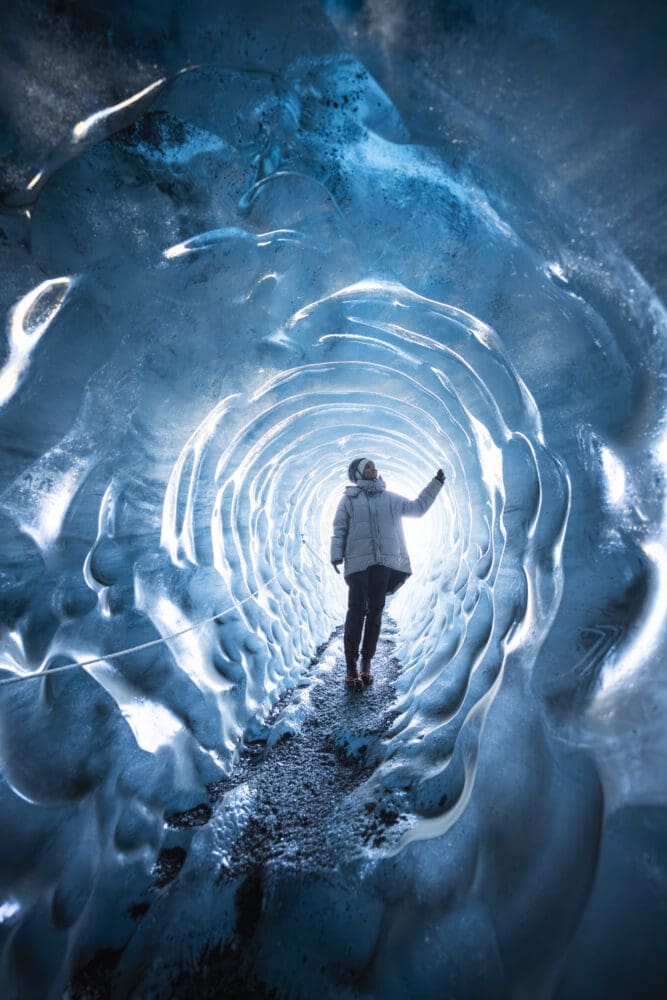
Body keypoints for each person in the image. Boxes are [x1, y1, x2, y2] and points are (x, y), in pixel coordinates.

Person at [330, 457, 445, 691]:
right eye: (367, 467)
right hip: (358, 563)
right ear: (358, 474)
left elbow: (417, 508)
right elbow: (340, 528)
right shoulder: (349, 500)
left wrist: (436, 484)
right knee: (356, 612)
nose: (373, 469)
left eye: (373, 465)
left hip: (383, 563)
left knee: (375, 613)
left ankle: (366, 663)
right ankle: (351, 667)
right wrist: (336, 555)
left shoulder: (390, 498)